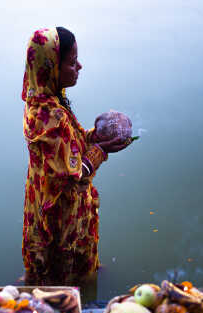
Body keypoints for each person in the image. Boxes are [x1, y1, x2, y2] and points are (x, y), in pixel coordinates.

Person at [21, 27, 130, 292]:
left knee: (51, 269)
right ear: (51, 68)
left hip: (42, 199)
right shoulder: (49, 118)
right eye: (71, 62)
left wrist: (97, 135)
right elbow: (74, 176)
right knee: (64, 275)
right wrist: (102, 151)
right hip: (60, 211)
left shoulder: (46, 98)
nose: (79, 66)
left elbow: (70, 144)